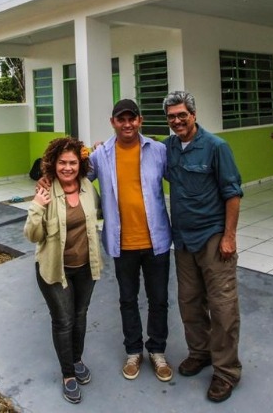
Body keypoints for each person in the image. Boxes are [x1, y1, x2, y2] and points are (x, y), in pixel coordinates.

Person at [162, 90, 243, 403]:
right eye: (172, 117)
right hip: (182, 239)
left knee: (223, 307)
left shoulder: (215, 147)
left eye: (182, 114)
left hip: (212, 237)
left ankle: (226, 372)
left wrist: (229, 236)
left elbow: (232, 192)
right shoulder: (167, 147)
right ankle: (200, 352)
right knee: (189, 302)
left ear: (193, 115)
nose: (178, 121)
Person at [90, 99, 173, 382]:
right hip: (121, 243)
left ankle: (157, 350)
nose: (127, 124)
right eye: (120, 119)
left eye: (132, 119)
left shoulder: (158, 150)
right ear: (112, 122)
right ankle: (134, 351)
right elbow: (75, 174)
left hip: (156, 241)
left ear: (140, 120)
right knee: (128, 300)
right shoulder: (101, 155)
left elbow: (182, 180)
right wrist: (46, 179)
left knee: (158, 299)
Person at [24, 137, 103, 405]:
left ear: (80, 165)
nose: (67, 168)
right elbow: (33, 236)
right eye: (62, 163)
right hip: (54, 270)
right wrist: (36, 205)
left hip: (85, 267)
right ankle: (68, 374)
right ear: (53, 164)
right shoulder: (46, 192)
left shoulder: (87, 189)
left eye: (72, 163)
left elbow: (98, 214)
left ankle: (77, 359)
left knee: (80, 316)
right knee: (63, 321)